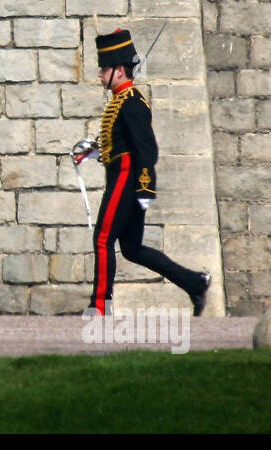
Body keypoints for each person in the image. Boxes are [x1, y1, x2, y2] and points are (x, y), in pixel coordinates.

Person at [81, 28, 210, 317]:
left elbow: (146, 150)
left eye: (104, 69)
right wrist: (91, 152)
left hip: (127, 179)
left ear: (119, 70)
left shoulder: (132, 102)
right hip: (121, 176)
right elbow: (118, 146)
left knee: (103, 238)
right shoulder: (119, 100)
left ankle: (100, 305)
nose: (100, 74)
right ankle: (194, 283)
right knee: (132, 249)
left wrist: (144, 188)